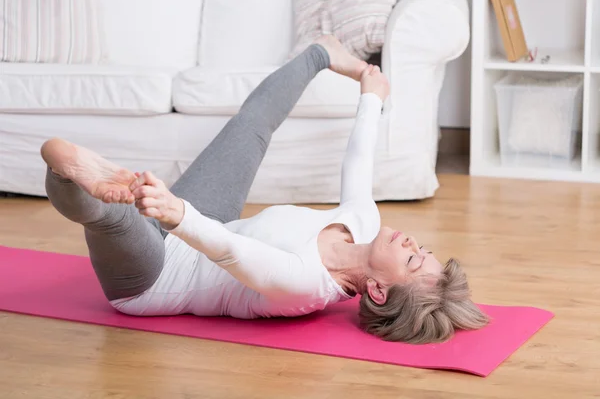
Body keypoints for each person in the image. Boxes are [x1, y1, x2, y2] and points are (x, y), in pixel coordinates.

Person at [40, 36, 488, 344]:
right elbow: (359, 160)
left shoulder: (304, 286)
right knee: (252, 128)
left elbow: (231, 252)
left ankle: (67, 173)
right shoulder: (363, 224)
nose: (412, 241)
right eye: (422, 246)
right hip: (199, 224)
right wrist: (372, 95)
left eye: (411, 258)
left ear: (375, 290)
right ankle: (320, 53)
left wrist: (176, 213)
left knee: (113, 212)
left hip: (152, 278)